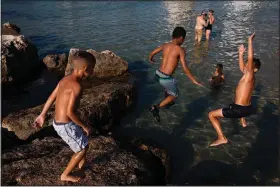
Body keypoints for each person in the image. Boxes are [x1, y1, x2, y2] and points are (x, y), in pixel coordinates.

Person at [33, 51, 96, 182]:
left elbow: (52, 96)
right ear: (85, 68)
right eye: (92, 68)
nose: (93, 71)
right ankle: (65, 175)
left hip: (59, 122)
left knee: (82, 143)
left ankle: (81, 166)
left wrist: (42, 114)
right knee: (82, 149)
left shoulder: (65, 78)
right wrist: (85, 126)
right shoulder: (77, 86)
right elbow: (70, 113)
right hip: (66, 124)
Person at [208, 32, 261, 147]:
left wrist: (250, 41)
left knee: (211, 115)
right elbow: (242, 67)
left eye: (249, 64)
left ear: (254, 69)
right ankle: (243, 120)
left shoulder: (250, 74)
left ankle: (222, 138)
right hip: (246, 108)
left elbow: (251, 57)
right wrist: (240, 53)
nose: (246, 66)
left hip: (239, 109)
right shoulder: (248, 76)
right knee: (234, 102)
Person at [149, 27, 203, 122]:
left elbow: (153, 52)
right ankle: (156, 107)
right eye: (184, 39)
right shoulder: (180, 50)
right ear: (181, 38)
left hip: (158, 73)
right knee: (175, 95)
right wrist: (194, 80)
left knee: (169, 84)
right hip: (165, 78)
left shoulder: (165, 45)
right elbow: (185, 68)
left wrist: (151, 58)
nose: (183, 41)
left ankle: (167, 100)